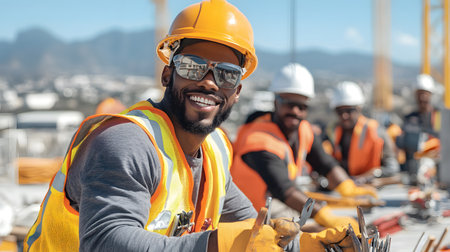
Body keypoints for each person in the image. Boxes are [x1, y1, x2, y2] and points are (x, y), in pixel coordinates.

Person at [23, 1, 352, 251]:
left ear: (236, 93)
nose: (209, 83)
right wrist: (217, 244)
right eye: (193, 67)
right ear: (168, 75)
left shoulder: (216, 150)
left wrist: (310, 244)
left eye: (226, 74)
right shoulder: (128, 141)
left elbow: (253, 232)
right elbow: (104, 239)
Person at [231, 63, 377, 231]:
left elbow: (325, 164)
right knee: (323, 235)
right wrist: (324, 215)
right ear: (275, 102)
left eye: (302, 106)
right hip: (249, 218)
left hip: (275, 208)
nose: (295, 111)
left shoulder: (303, 130)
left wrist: (347, 187)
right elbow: (284, 190)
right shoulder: (258, 139)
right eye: (288, 104)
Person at [328, 81, 399, 182]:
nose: (344, 116)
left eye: (349, 111)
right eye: (340, 112)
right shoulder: (336, 133)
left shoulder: (377, 131)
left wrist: (369, 176)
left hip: (373, 189)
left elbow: (392, 168)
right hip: (347, 188)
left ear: (359, 109)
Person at [397, 74, 440, 183]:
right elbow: (402, 143)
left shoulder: (439, 116)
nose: (422, 98)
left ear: (430, 95)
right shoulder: (409, 118)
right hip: (413, 170)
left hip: (437, 169)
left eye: (425, 94)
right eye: (419, 94)